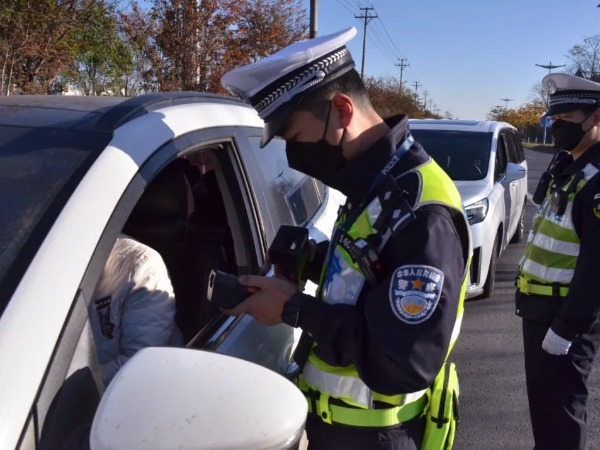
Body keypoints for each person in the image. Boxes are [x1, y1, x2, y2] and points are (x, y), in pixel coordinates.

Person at [220, 27, 470, 449]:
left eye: (294, 137)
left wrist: (294, 309)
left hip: (375, 435)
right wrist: (316, 260)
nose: (293, 154)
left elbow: (404, 361)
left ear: (341, 109)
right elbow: (375, 277)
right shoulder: (378, 185)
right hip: (344, 429)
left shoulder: (421, 213)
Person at [515, 73, 600, 450]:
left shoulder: (597, 182)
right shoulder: (568, 167)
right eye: (554, 118)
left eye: (567, 118)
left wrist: (567, 328)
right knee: (544, 412)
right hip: (538, 309)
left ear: (596, 117)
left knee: (562, 414)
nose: (557, 126)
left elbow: (596, 269)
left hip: (564, 316)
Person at [90, 233, 183, 386]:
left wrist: (74, 388)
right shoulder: (52, 258)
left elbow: (139, 364)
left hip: (140, 391)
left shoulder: (142, 266)